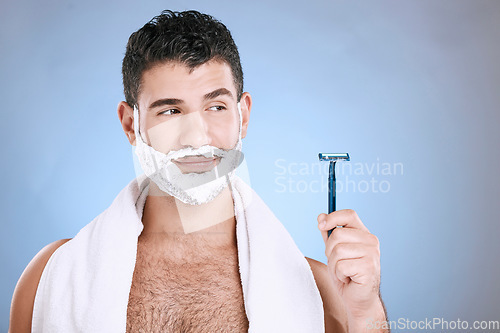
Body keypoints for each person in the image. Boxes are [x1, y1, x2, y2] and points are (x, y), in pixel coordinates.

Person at [9, 10, 388, 332]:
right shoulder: (50, 278)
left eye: (216, 107)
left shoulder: (320, 290)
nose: (197, 137)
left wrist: (365, 311)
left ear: (243, 116)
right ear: (130, 124)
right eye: (170, 111)